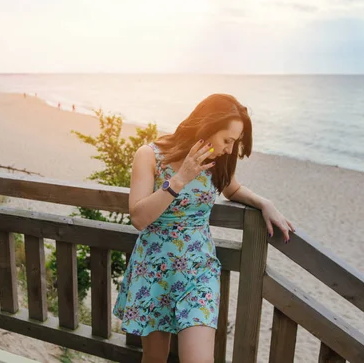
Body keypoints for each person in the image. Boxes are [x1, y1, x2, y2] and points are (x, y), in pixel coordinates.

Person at [113, 93, 295, 363]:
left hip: (199, 271)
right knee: (154, 358)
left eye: (235, 142)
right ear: (206, 127)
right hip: (154, 269)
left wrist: (263, 203)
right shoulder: (148, 155)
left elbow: (231, 188)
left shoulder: (217, 160)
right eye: (227, 140)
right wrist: (180, 178)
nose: (230, 150)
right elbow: (139, 218)